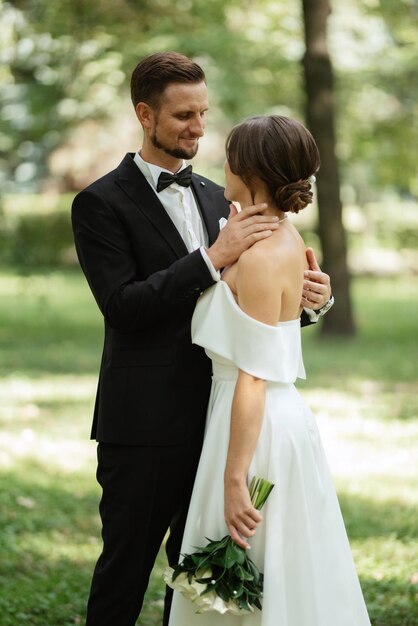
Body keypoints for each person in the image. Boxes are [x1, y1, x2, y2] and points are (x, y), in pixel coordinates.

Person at [71, 52, 333, 626]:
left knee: (195, 584)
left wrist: (314, 298)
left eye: (203, 113)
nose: (198, 127)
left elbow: (255, 311)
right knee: (124, 571)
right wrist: (210, 257)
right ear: (145, 115)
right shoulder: (98, 204)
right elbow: (123, 307)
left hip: (222, 423)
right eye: (183, 115)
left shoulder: (223, 198)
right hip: (142, 426)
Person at [168, 115, 370, 626]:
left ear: (251, 168)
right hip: (253, 415)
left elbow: (254, 373)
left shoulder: (259, 257)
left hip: (254, 425)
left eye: (232, 156)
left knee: (258, 562)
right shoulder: (278, 232)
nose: (223, 164)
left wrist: (235, 477)